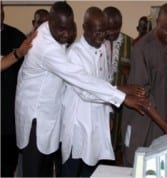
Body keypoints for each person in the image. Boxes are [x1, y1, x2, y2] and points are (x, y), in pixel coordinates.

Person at [15, 2, 146, 176]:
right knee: (36, 169)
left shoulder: (99, 48)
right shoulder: (50, 49)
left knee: (61, 169)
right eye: (61, 29)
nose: (66, 34)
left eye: (69, 28)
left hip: (58, 114)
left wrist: (108, 112)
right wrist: (121, 95)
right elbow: (82, 82)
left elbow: (103, 79)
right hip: (36, 115)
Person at [121, 3, 167, 167]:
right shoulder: (142, 48)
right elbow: (142, 94)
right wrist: (164, 126)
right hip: (144, 118)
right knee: (140, 163)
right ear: (158, 23)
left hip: (165, 117)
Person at [103, 6, 134, 155]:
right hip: (99, 103)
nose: (111, 33)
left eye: (115, 29)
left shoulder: (131, 44)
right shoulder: (95, 42)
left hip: (122, 105)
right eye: (108, 29)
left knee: (118, 146)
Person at [1, 4, 27, 177]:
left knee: (7, 167)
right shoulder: (20, 47)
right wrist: (17, 54)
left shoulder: (16, 36)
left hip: (9, 115)